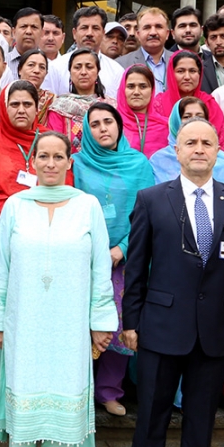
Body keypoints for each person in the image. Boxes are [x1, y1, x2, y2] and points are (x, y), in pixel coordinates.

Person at [122, 117, 224, 447]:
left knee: (201, 419)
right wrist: (132, 321)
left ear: (218, 151)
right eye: (190, 143)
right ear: (176, 151)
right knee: (151, 418)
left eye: (207, 143)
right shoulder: (151, 199)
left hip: (215, 330)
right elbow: (136, 266)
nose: (199, 149)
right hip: (161, 325)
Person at [0, 131, 115, 447]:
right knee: (23, 403)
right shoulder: (16, 207)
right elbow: (1, 266)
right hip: (24, 323)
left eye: (59, 156)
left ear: (69, 162)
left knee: (65, 402)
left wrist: (100, 321)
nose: (52, 163)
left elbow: (100, 269)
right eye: (44, 156)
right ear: (33, 162)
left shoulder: (87, 206)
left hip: (70, 324)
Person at [0, 81, 61, 403]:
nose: (21, 110)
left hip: (46, 230)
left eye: (27, 104)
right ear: (4, 107)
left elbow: (66, 179)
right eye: (15, 104)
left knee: (35, 309)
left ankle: (28, 385)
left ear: (37, 107)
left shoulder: (49, 139)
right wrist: (18, 210)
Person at [72, 102, 154, 417]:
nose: (103, 128)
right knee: (80, 323)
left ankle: (109, 391)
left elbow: (146, 213)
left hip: (125, 259)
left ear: (119, 126)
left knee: (119, 321)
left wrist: (121, 248)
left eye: (109, 121)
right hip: (83, 257)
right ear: (86, 131)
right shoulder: (76, 163)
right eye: (95, 124)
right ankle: (78, 391)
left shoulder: (139, 164)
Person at [151, 98, 224, 186]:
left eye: (199, 117)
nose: (193, 120)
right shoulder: (158, 160)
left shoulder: (222, 161)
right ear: (176, 120)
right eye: (187, 117)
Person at [154, 50, 224, 150]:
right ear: (171, 73)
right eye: (180, 71)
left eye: (192, 71)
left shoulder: (209, 104)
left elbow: (219, 142)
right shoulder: (159, 103)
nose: (187, 77)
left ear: (200, 74)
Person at [46, 6, 123, 96]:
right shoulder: (55, 68)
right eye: (84, 27)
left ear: (103, 33)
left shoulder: (116, 71)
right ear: (74, 33)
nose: (89, 33)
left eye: (95, 28)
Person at [46, 49, 110, 152]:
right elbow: (54, 147)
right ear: (70, 73)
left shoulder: (111, 107)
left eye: (89, 67)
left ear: (98, 72)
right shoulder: (59, 108)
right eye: (77, 67)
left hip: (107, 166)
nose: (83, 72)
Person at [117, 64, 168, 158]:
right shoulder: (112, 124)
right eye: (131, 86)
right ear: (123, 89)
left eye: (143, 86)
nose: (136, 92)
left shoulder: (166, 127)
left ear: (152, 90)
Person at [117, 7, 171, 93]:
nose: (153, 32)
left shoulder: (179, 61)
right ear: (138, 34)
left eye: (158, 26)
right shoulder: (120, 65)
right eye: (147, 27)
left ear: (167, 34)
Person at [169, 7, 217, 94]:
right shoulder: (165, 59)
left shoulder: (213, 59)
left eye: (193, 25)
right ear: (173, 33)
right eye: (182, 26)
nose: (188, 30)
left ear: (201, 30)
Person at [15, 49, 56, 126]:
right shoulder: (8, 96)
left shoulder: (52, 100)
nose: (37, 71)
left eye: (42, 67)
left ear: (46, 73)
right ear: (20, 70)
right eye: (31, 65)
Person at [3, 8, 43, 79]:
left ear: (42, 33)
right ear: (14, 32)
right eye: (23, 26)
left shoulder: (51, 66)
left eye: (34, 27)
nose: (28, 31)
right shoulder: (2, 63)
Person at [201, 14, 224, 89]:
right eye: (213, 37)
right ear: (207, 42)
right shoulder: (199, 70)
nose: (218, 42)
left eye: (223, 36)